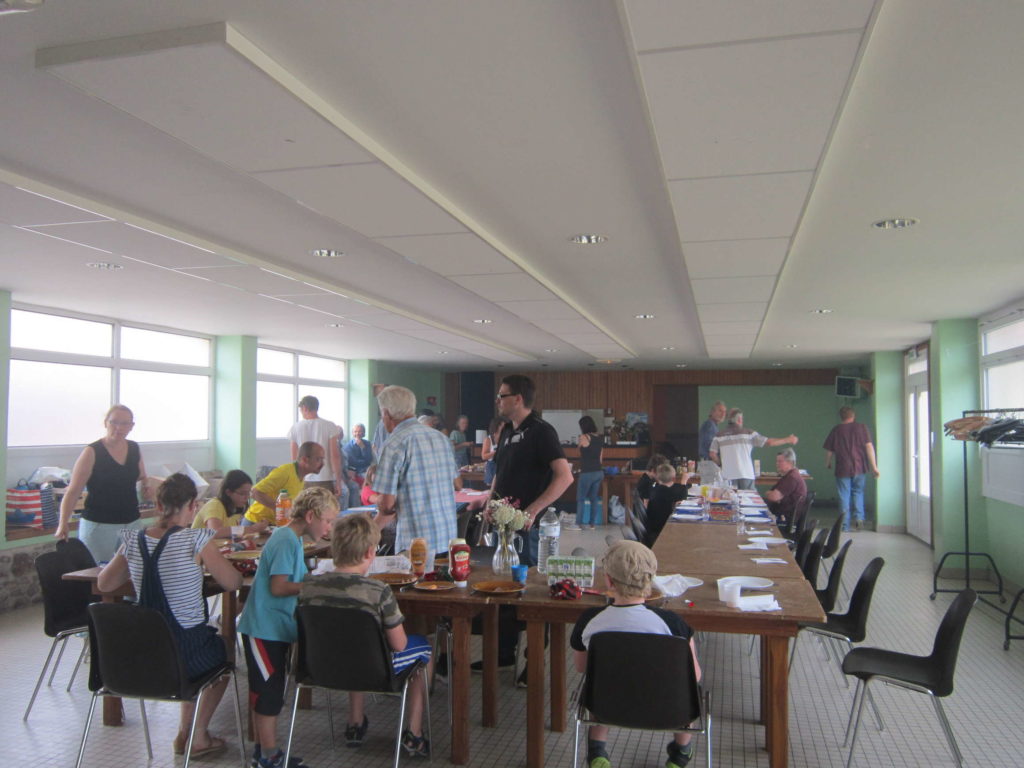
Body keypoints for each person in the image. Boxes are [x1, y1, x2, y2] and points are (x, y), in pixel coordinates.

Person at [97, 473, 242, 760]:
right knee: (222, 654)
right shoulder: (196, 539)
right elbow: (232, 583)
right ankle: (196, 735)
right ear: (193, 506)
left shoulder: (134, 540)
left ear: (159, 505)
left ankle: (186, 733)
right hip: (185, 648)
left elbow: (105, 584)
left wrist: (136, 569)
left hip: (144, 652)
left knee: (196, 652)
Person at [300, 512, 433, 756]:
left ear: (333, 548)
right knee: (423, 649)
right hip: (375, 670)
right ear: (370, 552)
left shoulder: (308, 586)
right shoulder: (378, 590)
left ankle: (355, 722)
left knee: (351, 644)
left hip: (317, 667)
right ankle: (414, 733)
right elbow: (400, 645)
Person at [570, 540, 701, 768]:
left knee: (602, 681)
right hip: (670, 710)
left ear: (609, 580)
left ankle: (597, 751)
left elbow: (582, 667)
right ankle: (681, 753)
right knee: (687, 688)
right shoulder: (673, 623)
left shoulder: (590, 620)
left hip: (607, 707)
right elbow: (695, 675)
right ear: (650, 580)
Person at [238, 487, 339, 768]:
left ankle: (264, 752)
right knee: (267, 692)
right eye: (327, 521)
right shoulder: (285, 540)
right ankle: (268, 755)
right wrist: (314, 584)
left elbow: (294, 578)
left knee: (272, 689)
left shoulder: (292, 540)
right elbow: (279, 586)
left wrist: (315, 579)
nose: (329, 528)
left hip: (276, 628)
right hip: (263, 629)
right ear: (310, 516)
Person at [491, 374, 573, 567]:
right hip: (501, 524)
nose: (497, 400)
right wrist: (490, 503)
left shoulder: (541, 431)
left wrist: (531, 512)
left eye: (502, 395)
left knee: (525, 579)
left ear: (518, 399)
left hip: (529, 529)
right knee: (500, 576)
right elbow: (499, 472)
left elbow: (565, 477)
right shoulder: (506, 430)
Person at [372, 385, 459, 559]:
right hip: (448, 537)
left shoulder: (393, 444)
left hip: (416, 541)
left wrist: (378, 505)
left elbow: (387, 505)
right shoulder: (441, 438)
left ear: (386, 413)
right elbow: (456, 483)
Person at [54, 404, 149, 563]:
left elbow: (141, 475)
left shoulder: (134, 448)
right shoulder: (92, 451)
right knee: (98, 573)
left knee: (133, 571)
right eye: (114, 422)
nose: (119, 427)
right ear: (106, 423)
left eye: (125, 423)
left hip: (132, 522)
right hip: (100, 525)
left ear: (131, 426)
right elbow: (73, 491)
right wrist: (63, 522)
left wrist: (147, 486)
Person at [709, 409, 798, 490]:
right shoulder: (749, 433)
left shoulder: (719, 435)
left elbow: (712, 454)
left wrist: (721, 464)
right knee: (748, 500)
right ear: (739, 419)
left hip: (727, 475)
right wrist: (788, 439)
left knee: (730, 500)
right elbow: (769, 442)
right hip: (746, 474)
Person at [823, 406, 880, 531]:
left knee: (844, 495)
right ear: (853, 416)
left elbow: (829, 450)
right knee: (858, 492)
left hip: (842, 467)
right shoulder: (862, 428)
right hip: (859, 466)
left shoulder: (836, 430)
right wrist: (874, 467)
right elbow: (869, 447)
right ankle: (859, 518)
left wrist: (827, 463)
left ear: (841, 417)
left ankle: (844, 525)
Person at [243, 442, 325, 527]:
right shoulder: (285, 472)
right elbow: (255, 492)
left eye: (323, 459)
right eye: (318, 459)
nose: (323, 464)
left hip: (273, 525)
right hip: (255, 522)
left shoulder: (301, 476)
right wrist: (279, 508)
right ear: (305, 459)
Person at [288, 395, 343, 497]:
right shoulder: (329, 426)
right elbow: (334, 456)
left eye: (301, 410)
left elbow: (294, 458)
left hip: (303, 478)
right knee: (325, 506)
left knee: (305, 506)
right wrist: (338, 481)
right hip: (324, 477)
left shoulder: (295, 428)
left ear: (304, 408)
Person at [191, 469, 252, 538]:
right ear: (228, 492)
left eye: (248, 493)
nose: (247, 497)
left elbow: (233, 534)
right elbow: (214, 532)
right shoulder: (215, 505)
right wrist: (248, 529)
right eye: (242, 493)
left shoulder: (238, 508)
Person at [644, 463, 692, 547]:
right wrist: (684, 481)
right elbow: (683, 499)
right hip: (661, 528)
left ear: (657, 477)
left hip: (653, 526)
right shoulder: (669, 492)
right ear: (674, 477)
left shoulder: (655, 490)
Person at [763, 449, 807, 530]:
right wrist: (772, 495)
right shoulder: (789, 476)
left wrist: (769, 494)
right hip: (781, 515)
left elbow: (773, 497)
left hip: (785, 519)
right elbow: (773, 495)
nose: (777, 464)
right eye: (777, 461)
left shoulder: (792, 478)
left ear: (790, 462)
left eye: (780, 461)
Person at [575, 415, 605, 530]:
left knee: (581, 499)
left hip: (587, 472)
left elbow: (579, 451)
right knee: (594, 498)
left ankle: (579, 523)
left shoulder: (584, 437)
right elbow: (600, 459)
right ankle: (592, 524)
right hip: (598, 472)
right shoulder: (599, 438)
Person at [481, 416, 506, 486]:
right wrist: (496, 452)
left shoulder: (505, 437)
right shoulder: (488, 439)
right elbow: (484, 456)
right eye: (502, 425)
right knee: (492, 489)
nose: (504, 427)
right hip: (492, 467)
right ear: (496, 426)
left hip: (502, 466)